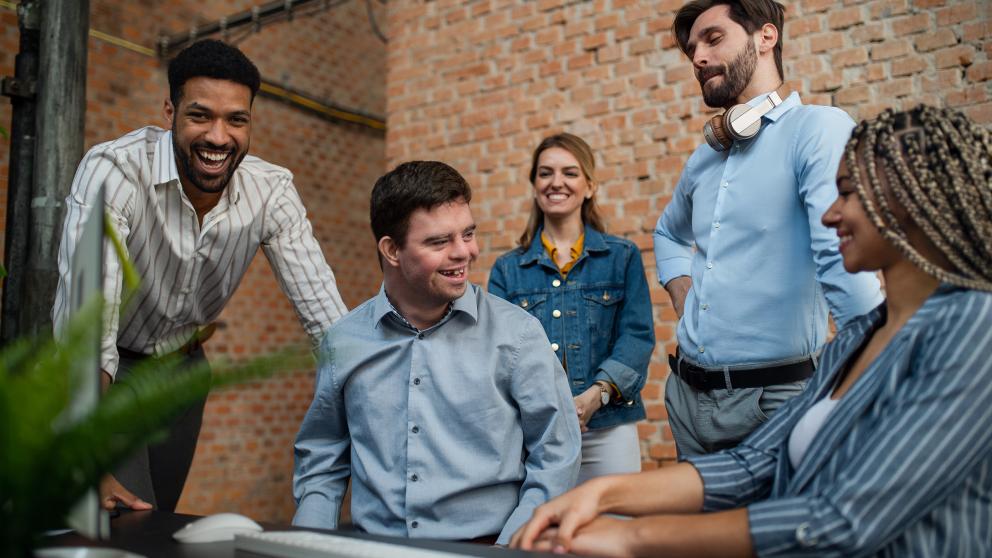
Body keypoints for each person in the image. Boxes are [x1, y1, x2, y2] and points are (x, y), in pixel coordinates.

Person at [511, 105, 992, 556]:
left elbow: (842, 521)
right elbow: (755, 462)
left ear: (907, 200)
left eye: (845, 193)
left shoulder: (975, 332)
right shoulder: (857, 336)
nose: (828, 214)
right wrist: (602, 494)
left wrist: (632, 536)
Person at [52, 39, 348, 512]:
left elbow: (328, 323)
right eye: (200, 115)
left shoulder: (271, 191)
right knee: (123, 516)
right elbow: (88, 324)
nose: (218, 136)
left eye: (236, 119)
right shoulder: (115, 171)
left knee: (159, 518)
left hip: (185, 370)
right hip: (113, 370)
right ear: (170, 112)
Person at [292, 161, 581, 545]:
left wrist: (508, 551)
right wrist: (307, 544)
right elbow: (323, 457)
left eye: (468, 234)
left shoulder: (518, 336)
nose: (465, 253)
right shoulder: (344, 341)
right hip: (373, 548)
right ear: (392, 249)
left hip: (489, 547)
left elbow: (556, 458)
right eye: (440, 241)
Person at [653, 0, 883, 457]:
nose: (697, 57)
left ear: (765, 37)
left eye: (713, 39)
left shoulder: (817, 129)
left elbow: (841, 260)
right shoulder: (703, 159)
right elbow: (668, 235)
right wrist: (685, 298)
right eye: (692, 48)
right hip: (685, 398)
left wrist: (880, 371)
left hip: (777, 400)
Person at [488, 133, 655, 484]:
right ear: (534, 185)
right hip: (535, 433)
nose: (556, 182)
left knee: (613, 529)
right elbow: (499, 354)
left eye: (570, 172)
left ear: (590, 186)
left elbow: (637, 336)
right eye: (545, 173)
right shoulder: (507, 269)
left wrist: (596, 396)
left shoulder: (621, 257)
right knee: (539, 534)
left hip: (608, 428)